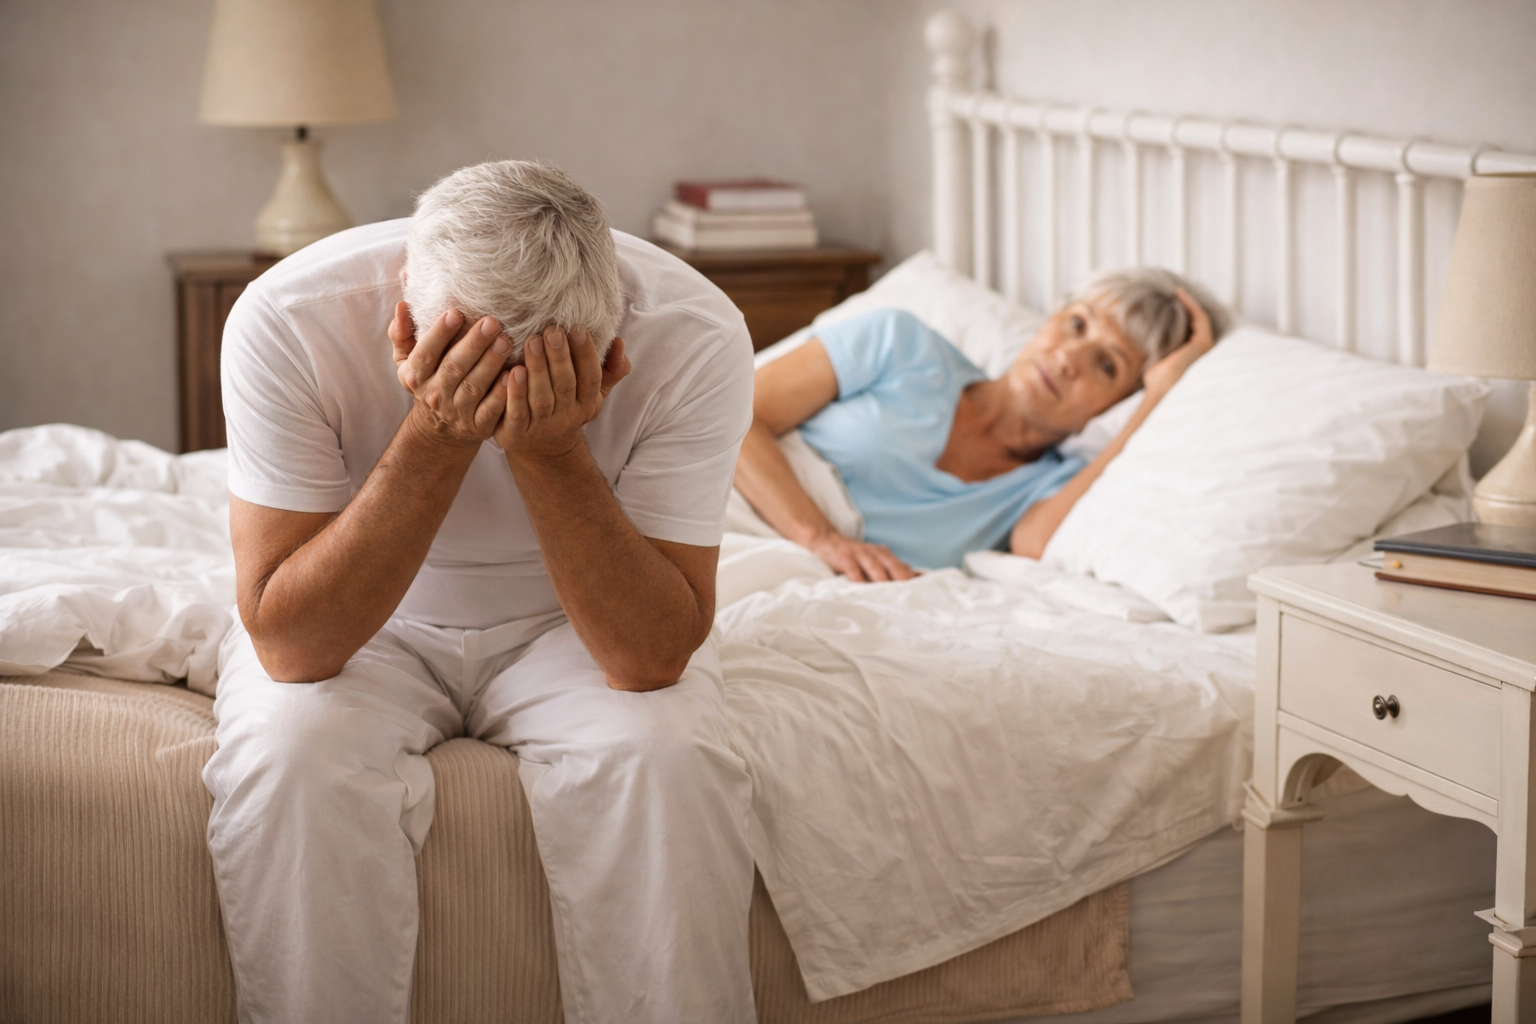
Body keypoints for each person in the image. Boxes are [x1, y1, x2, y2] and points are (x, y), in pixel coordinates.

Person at [205, 160, 758, 1024]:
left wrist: (550, 448)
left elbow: (650, 657)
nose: (506, 396)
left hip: (571, 622)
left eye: (544, 370)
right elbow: (293, 644)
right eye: (473, 363)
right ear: (403, 317)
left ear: (611, 345)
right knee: (291, 755)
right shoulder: (287, 317)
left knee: (669, 759)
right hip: (366, 614)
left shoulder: (696, 334)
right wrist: (434, 431)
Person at [732, 269, 1232, 580]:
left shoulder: (1049, 486)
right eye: (1076, 324)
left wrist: (1158, 397)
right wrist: (820, 537)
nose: (1067, 358)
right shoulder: (900, 344)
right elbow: (730, 415)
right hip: (721, 497)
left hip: (785, 573)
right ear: (1050, 317)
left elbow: (1034, 546)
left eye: (1107, 365)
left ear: (1119, 403)